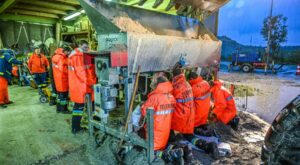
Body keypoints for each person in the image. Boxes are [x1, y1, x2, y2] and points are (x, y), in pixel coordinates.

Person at [172, 67, 219, 159]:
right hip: (195, 116)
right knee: (189, 135)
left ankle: (205, 146)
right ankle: (207, 144)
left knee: (183, 137)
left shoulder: (178, 87)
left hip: (184, 118)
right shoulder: (194, 85)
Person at [138, 73, 184, 164]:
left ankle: (170, 154)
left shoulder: (154, 98)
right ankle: (174, 152)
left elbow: (144, 112)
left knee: (150, 152)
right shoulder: (171, 97)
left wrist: (142, 105)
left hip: (154, 133)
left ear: (158, 85)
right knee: (160, 147)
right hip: (165, 133)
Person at [68, 40, 96, 134]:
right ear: (79, 45)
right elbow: (81, 73)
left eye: (87, 47)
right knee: (79, 107)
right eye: (84, 47)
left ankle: (92, 124)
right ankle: (75, 128)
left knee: (91, 105)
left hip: (83, 85)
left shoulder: (82, 55)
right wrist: (92, 83)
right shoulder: (77, 57)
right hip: (81, 86)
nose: (86, 49)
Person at [52, 45, 72, 113]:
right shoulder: (62, 58)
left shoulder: (55, 57)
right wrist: (71, 72)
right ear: (66, 51)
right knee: (64, 96)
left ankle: (58, 108)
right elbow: (63, 69)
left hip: (58, 79)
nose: (69, 54)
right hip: (63, 80)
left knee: (60, 96)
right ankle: (64, 109)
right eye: (69, 52)